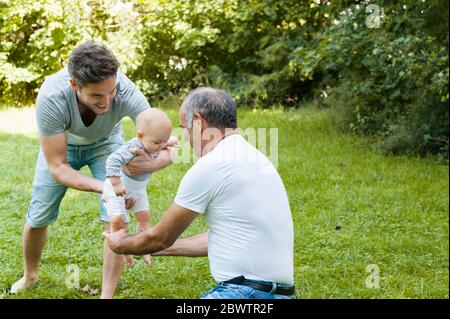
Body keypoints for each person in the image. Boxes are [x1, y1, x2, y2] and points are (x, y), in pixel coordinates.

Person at [11, 41, 172, 299]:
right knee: (38, 216)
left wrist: (156, 162)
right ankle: (30, 275)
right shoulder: (52, 97)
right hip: (64, 146)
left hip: (107, 142)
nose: (107, 102)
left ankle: (106, 296)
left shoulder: (126, 90)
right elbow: (57, 166)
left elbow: (160, 140)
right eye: (97, 96)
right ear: (75, 85)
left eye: (111, 92)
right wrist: (105, 186)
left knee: (115, 216)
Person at [103, 87, 296, 299]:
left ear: (197, 121)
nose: (185, 137)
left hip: (244, 293)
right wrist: (144, 246)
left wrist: (122, 244)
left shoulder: (213, 164)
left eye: (184, 128)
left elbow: (161, 238)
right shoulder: (256, 159)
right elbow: (217, 238)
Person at [103, 108, 179, 268]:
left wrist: (169, 142)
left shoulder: (156, 140)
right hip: (117, 188)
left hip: (138, 189)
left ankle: (144, 247)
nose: (161, 146)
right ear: (140, 136)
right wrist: (116, 184)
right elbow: (112, 160)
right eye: (157, 143)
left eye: (163, 141)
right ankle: (124, 250)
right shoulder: (132, 147)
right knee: (117, 219)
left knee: (144, 217)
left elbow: (167, 141)